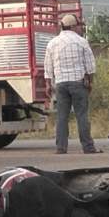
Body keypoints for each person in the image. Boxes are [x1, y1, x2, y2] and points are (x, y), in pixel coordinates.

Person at [44, 14, 100, 154]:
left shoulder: (53, 43)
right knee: (82, 115)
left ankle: (61, 147)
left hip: (61, 84)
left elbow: (48, 67)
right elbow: (91, 66)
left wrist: (48, 84)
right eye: (78, 25)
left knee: (62, 116)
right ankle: (88, 147)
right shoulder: (81, 41)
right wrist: (90, 81)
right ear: (73, 26)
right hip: (78, 83)